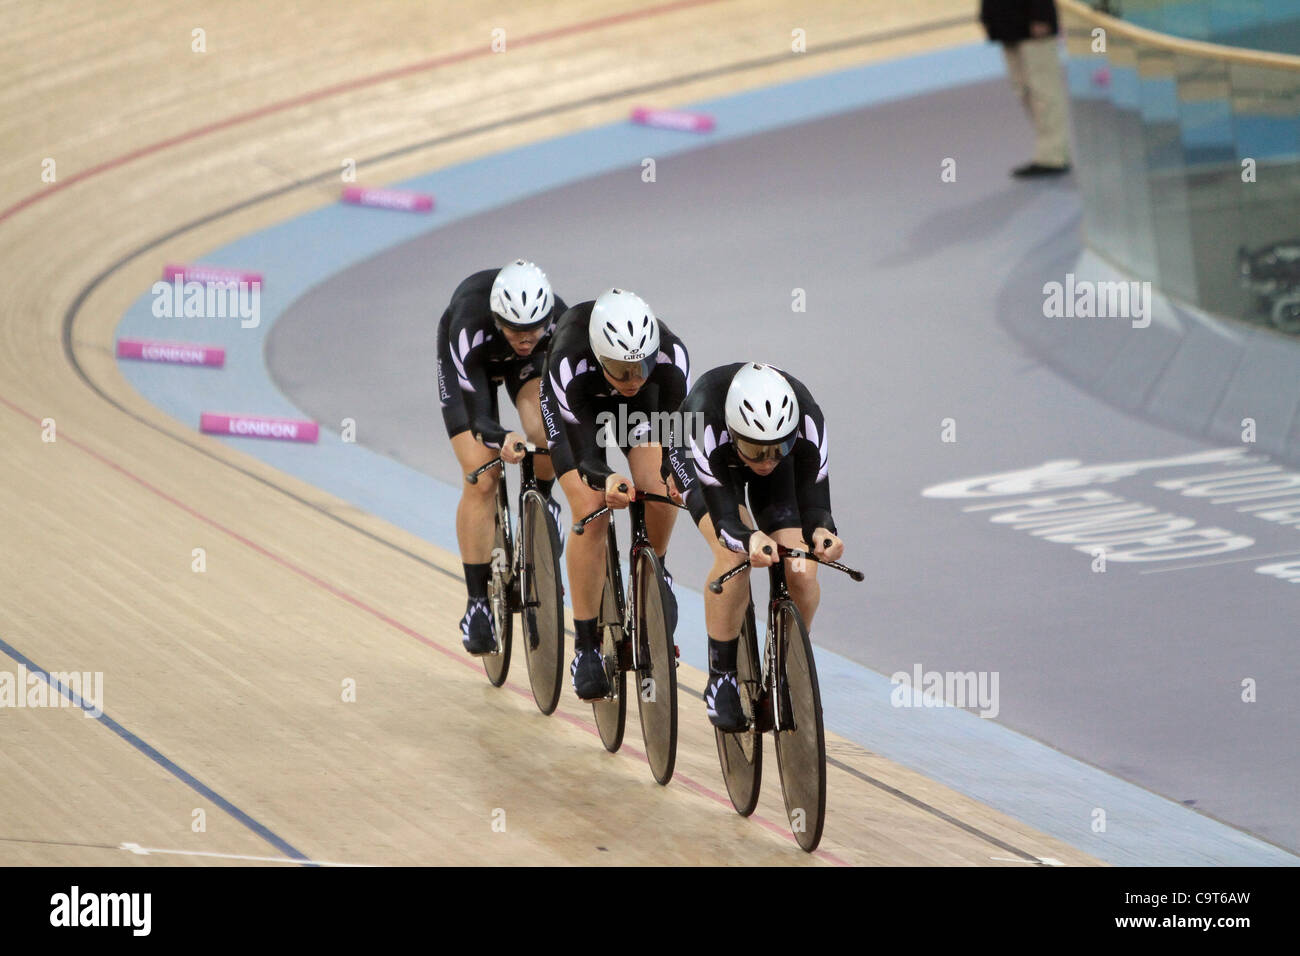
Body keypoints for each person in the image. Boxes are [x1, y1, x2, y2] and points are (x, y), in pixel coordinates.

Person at [663, 362, 842, 731]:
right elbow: (728, 521)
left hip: (773, 476)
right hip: (700, 457)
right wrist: (749, 538)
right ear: (734, 432)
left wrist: (824, 533)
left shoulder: (807, 419)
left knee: (802, 570)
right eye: (756, 450)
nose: (766, 461)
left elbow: (815, 504)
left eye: (779, 448)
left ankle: (786, 669)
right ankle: (722, 677)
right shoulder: (703, 419)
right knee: (735, 556)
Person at [539, 288, 690, 700]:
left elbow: (674, 444)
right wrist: (606, 478)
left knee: (659, 487)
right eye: (621, 370)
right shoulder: (569, 360)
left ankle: (655, 572)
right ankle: (585, 646)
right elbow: (587, 453)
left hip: (639, 411)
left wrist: (674, 478)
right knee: (592, 511)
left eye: (640, 366)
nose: (633, 378)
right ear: (600, 355)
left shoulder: (671, 360)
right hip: (578, 409)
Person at [436, 259, 568, 656]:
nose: (525, 338)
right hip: (472, 366)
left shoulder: (558, 324)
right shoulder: (468, 326)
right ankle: (477, 603)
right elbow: (479, 417)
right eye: (515, 328)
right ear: (497, 319)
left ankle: (540, 502)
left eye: (534, 328)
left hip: (522, 371)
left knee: (545, 432)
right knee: (482, 474)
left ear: (548, 317)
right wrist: (499, 436)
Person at [980, 0, 1071, 177]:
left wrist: (1041, 15)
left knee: (1044, 92)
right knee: (1024, 90)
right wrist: (987, 17)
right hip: (1007, 27)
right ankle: (1049, 151)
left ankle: (1054, 156)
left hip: (1033, 26)